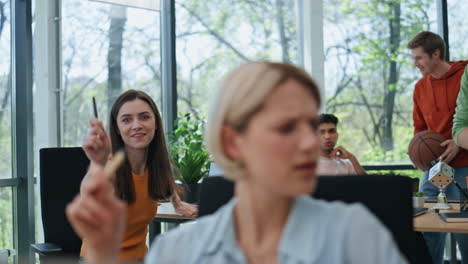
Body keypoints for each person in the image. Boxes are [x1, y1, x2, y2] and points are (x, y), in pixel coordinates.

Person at [67, 62, 407, 264]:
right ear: (232, 142)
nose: (308, 142)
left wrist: (179, 204)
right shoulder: (178, 251)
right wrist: (102, 244)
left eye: (308, 125)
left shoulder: (358, 234)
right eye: (285, 127)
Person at [79, 90, 197, 262]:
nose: (137, 125)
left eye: (144, 117)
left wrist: (177, 203)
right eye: (127, 120)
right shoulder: (110, 167)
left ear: (155, 123)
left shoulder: (156, 165)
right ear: (117, 129)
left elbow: (164, 183)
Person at [408, 31, 468, 264]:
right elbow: (419, 127)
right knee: (426, 228)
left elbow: (463, 123)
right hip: (435, 169)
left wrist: (458, 142)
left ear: (436, 54)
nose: (415, 64)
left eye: (419, 58)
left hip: (464, 166)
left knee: (463, 232)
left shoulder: (464, 76)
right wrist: (416, 149)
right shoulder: (420, 87)